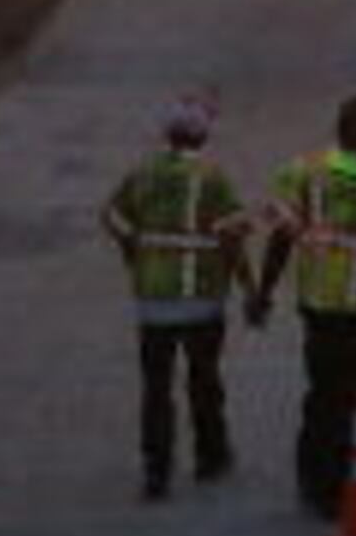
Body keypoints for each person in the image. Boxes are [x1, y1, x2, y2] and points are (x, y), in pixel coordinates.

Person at [249, 96, 356, 520]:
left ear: (338, 129)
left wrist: (264, 291)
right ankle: (347, 477)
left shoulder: (305, 172)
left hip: (319, 305)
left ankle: (316, 482)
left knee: (322, 393)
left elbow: (281, 238)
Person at [100, 95, 249, 499]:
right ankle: (210, 457)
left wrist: (132, 248)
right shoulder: (213, 178)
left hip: (153, 302)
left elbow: (111, 215)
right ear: (202, 137)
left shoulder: (142, 173)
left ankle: (156, 472)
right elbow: (233, 234)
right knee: (204, 381)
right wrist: (250, 288)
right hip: (202, 300)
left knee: (156, 389)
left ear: (168, 133)